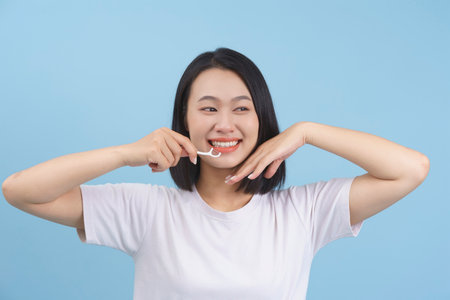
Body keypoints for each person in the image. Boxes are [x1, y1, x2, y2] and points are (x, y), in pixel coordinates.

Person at [2, 47, 430, 300]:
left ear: (262, 119)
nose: (225, 124)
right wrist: (125, 153)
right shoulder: (146, 210)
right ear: (184, 120)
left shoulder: (304, 210)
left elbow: (411, 169)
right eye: (208, 108)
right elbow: (20, 191)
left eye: (241, 108)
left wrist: (308, 132)